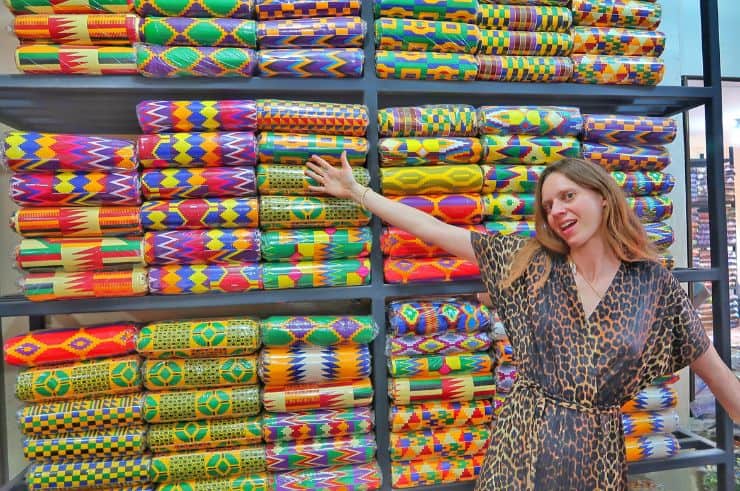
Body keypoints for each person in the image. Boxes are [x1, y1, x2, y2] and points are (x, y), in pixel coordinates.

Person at [305, 152, 740, 490]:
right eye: (549, 205)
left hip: (595, 457)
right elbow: (436, 231)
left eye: (569, 196)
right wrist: (358, 192)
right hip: (520, 445)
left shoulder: (653, 284)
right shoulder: (532, 263)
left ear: (603, 197)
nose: (557, 211)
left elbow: (718, 376)